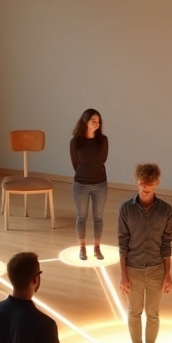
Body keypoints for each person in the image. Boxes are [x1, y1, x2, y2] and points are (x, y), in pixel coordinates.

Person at [118, 163, 172, 343]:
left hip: (156, 270)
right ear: (137, 181)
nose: (146, 187)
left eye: (150, 183)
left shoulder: (166, 210)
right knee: (134, 312)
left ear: (156, 183)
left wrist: (168, 274)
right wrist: (122, 275)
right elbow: (122, 242)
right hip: (132, 269)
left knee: (153, 313)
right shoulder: (125, 209)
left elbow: (167, 243)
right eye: (143, 183)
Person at [70, 109, 109, 261]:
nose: (96, 124)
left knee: (98, 217)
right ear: (85, 121)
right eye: (93, 121)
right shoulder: (75, 142)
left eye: (98, 121)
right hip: (81, 184)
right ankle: (82, 248)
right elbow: (75, 163)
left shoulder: (103, 140)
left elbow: (103, 159)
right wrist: (84, 173)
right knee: (81, 217)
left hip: (100, 183)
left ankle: (97, 247)